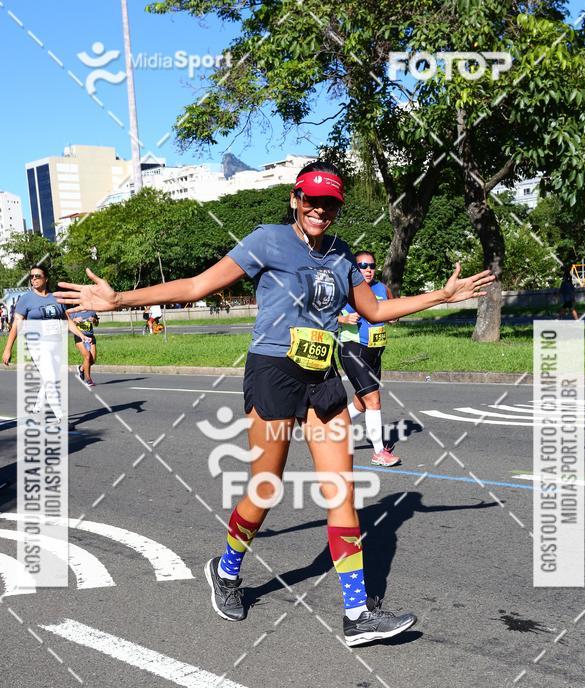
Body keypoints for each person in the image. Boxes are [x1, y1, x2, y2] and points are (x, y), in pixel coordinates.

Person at [55, 161, 494, 647]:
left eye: (330, 203)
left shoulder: (343, 255)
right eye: (312, 200)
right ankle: (226, 571)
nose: (320, 210)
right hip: (273, 371)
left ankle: (356, 613)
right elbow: (199, 286)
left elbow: (373, 310)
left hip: (323, 374)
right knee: (265, 487)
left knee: (342, 492)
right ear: (295, 198)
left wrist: (442, 295)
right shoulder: (267, 239)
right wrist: (119, 301)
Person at [2, 265, 86, 424]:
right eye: (31, 276)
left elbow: (66, 320)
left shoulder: (56, 297)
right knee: (51, 379)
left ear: (46, 279)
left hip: (55, 343)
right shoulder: (26, 299)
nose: (34, 279)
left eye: (37, 276)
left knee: (49, 377)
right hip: (37, 344)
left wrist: (81, 335)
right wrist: (8, 349)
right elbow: (16, 324)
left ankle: (36, 408)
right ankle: (61, 416)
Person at [338, 250, 398, 466]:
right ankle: (379, 452)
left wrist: (393, 317)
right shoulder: (345, 287)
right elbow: (321, 315)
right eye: (362, 266)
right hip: (353, 349)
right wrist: (343, 318)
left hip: (375, 351)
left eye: (371, 266)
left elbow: (393, 309)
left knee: (361, 403)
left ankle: (330, 429)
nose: (368, 270)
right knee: (373, 400)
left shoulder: (382, 288)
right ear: (355, 267)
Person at [69, 308, 99, 386]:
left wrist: (94, 320)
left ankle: (81, 368)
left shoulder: (91, 311)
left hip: (90, 337)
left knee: (92, 361)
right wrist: (75, 320)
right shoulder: (74, 312)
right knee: (87, 357)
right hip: (79, 337)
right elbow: (68, 323)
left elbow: (96, 323)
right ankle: (88, 379)